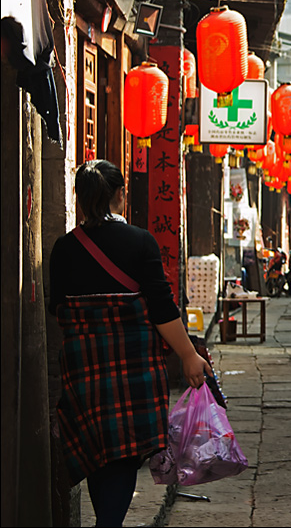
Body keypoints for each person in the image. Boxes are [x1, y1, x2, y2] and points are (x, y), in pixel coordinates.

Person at [49, 160, 210, 528]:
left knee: (96, 447)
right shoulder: (140, 242)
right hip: (132, 365)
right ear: (120, 195)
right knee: (123, 454)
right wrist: (188, 355)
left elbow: (57, 307)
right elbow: (161, 307)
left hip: (83, 364)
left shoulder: (62, 249)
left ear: (81, 198)